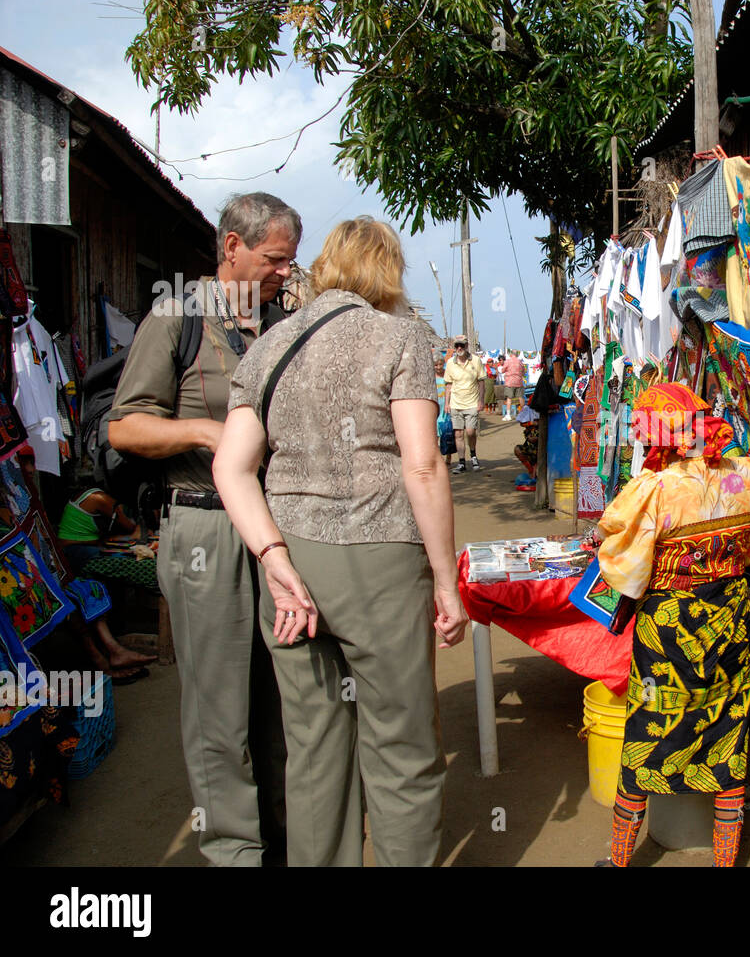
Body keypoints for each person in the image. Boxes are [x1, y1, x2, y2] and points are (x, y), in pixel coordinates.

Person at [213, 216, 468, 867]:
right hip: (380, 560)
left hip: (293, 567)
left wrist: (272, 556)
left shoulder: (268, 347)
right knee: (401, 748)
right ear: (387, 273)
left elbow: (231, 466)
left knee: (314, 751)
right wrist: (445, 581)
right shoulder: (399, 337)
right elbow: (421, 465)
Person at [106, 191, 296, 867]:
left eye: (290, 263)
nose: (283, 272)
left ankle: (279, 839)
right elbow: (124, 424)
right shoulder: (177, 316)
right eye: (274, 260)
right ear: (232, 248)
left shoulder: (279, 323)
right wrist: (203, 430)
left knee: (282, 700)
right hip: (204, 531)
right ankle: (233, 852)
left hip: (273, 529)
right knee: (219, 708)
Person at [593, 382, 750, 868]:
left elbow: (625, 566)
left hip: (669, 629)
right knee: (730, 727)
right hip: (729, 618)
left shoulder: (655, 488)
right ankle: (725, 861)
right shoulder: (748, 476)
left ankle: (620, 860)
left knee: (649, 727)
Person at [55, 486, 158, 682]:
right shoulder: (100, 499)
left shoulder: (95, 496)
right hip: (74, 553)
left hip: (82, 550)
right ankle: (109, 655)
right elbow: (131, 528)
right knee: (109, 573)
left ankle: (113, 650)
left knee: (95, 585)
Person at [445, 334, 486, 473]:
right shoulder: (450, 363)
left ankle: (473, 455)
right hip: (456, 403)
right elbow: (448, 384)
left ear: (467, 346)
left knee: (470, 431)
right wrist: (447, 403)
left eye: (462, 345)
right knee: (458, 434)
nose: (459, 348)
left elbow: (481, 382)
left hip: (472, 402)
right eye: (457, 345)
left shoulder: (476, 361)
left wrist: (481, 400)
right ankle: (461, 462)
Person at [501, 349, 526, 420]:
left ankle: (508, 415)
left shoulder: (508, 361)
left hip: (509, 382)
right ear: (517, 354)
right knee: (521, 397)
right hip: (519, 382)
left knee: (509, 398)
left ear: (511, 354)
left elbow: (503, 370)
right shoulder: (520, 362)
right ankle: (523, 414)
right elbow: (524, 372)